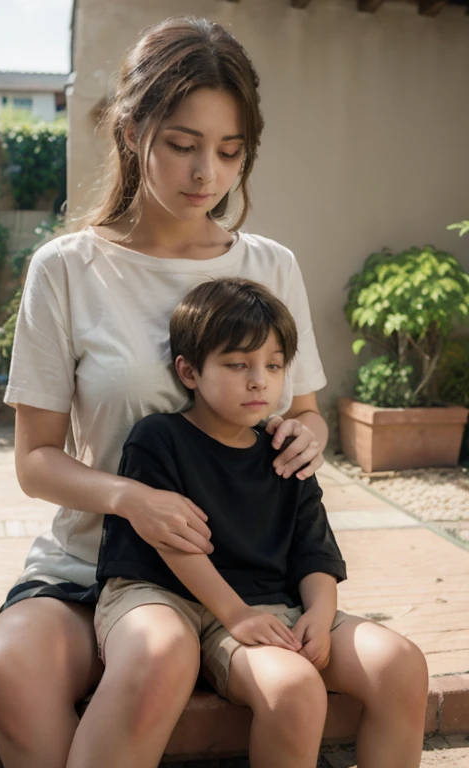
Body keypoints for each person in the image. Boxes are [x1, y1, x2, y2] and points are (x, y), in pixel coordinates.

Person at [0, 15, 427, 768]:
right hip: (94, 566)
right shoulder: (67, 268)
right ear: (133, 131)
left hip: (250, 571)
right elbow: (36, 462)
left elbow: (307, 416)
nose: (205, 175)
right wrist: (133, 499)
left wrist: (308, 436)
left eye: (228, 152)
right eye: (183, 146)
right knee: (9, 671)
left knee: (381, 666)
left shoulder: (270, 264)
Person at [69, 277, 426, 768]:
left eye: (274, 365)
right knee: (294, 686)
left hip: (269, 606)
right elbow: (175, 542)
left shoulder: (286, 447)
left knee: (401, 664)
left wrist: (319, 619)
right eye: (238, 365)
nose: (260, 380)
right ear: (189, 371)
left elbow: (314, 551)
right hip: (169, 595)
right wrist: (237, 615)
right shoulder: (159, 439)